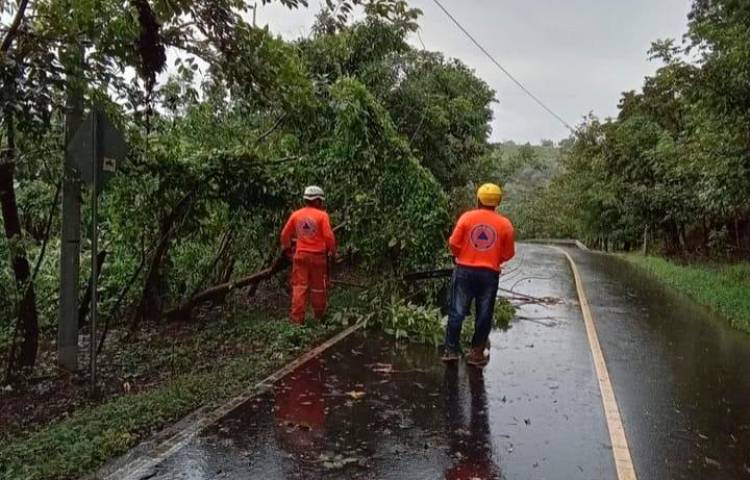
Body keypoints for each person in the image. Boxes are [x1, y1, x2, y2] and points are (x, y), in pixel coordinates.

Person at [443, 183, 515, 366]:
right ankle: (476, 353)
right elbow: (508, 253)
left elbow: (453, 243)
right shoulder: (505, 224)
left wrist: (462, 255)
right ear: (497, 202)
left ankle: (451, 350)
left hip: (465, 271)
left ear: (478, 199)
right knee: (484, 313)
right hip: (489, 275)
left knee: (457, 311)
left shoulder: (467, 218)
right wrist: (493, 258)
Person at [280, 186, 336, 325]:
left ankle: (297, 320)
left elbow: (284, 235)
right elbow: (329, 237)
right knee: (318, 288)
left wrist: (288, 250)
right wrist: (332, 251)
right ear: (317, 200)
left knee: (299, 287)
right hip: (318, 257)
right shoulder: (322, 216)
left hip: (300, 256)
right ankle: (319, 316)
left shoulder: (295, 215)